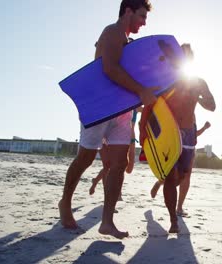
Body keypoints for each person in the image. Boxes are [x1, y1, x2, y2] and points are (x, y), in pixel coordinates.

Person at [58, 0, 156, 239]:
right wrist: (141, 91)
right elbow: (109, 69)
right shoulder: (111, 32)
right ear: (128, 11)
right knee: (86, 158)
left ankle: (107, 222)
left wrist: (142, 92)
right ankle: (65, 202)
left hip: (122, 112)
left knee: (119, 164)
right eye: (142, 16)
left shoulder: (126, 40)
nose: (144, 22)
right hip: (100, 107)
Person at [140, 61, 216, 233]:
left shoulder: (199, 82)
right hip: (169, 133)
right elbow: (149, 105)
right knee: (170, 177)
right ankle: (173, 220)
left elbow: (212, 107)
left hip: (189, 133)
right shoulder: (165, 80)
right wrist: (142, 131)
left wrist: (199, 95)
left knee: (183, 176)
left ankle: (161, 184)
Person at [150, 121, 212, 217]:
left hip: (190, 148)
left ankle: (179, 207)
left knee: (186, 176)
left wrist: (204, 128)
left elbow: (194, 135)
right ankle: (160, 182)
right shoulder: (174, 109)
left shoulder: (192, 115)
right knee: (172, 174)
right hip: (175, 145)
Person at [89, 107, 143, 198]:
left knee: (128, 169)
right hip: (113, 137)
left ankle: (96, 180)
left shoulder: (135, 106)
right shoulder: (119, 105)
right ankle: (114, 194)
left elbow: (149, 109)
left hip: (131, 138)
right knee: (110, 166)